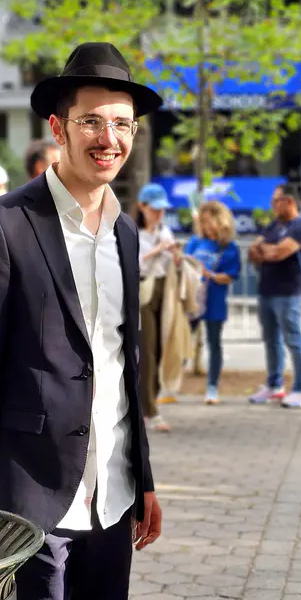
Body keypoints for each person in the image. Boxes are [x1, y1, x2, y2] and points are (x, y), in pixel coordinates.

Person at [0, 42, 163, 600]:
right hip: (32, 494)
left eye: (122, 124)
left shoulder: (125, 232)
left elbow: (124, 368)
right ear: (58, 128)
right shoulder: (3, 227)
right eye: (92, 122)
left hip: (114, 493)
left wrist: (144, 478)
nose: (109, 139)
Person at [247, 183, 301, 409]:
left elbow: (279, 253)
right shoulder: (273, 226)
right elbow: (253, 252)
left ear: (289, 201)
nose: (272, 205)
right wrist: (267, 250)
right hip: (266, 290)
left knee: (293, 340)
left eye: (276, 200)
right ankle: (274, 385)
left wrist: (266, 250)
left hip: (288, 292)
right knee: (271, 341)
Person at [184, 201, 242, 404]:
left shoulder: (230, 247)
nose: (205, 226)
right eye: (202, 221)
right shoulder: (195, 241)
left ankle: (212, 388)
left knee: (214, 343)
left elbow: (230, 276)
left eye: (209, 221)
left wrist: (210, 275)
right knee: (182, 339)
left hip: (215, 299)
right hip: (193, 299)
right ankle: (169, 385)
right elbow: (186, 265)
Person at [137, 182, 179, 429]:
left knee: (161, 348)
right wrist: (158, 250)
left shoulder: (165, 231)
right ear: (142, 207)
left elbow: (173, 263)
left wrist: (175, 254)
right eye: (154, 209)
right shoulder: (132, 231)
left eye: (162, 210)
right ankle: (150, 410)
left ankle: (148, 405)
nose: (159, 214)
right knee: (147, 351)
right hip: (143, 291)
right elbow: (134, 263)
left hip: (165, 290)